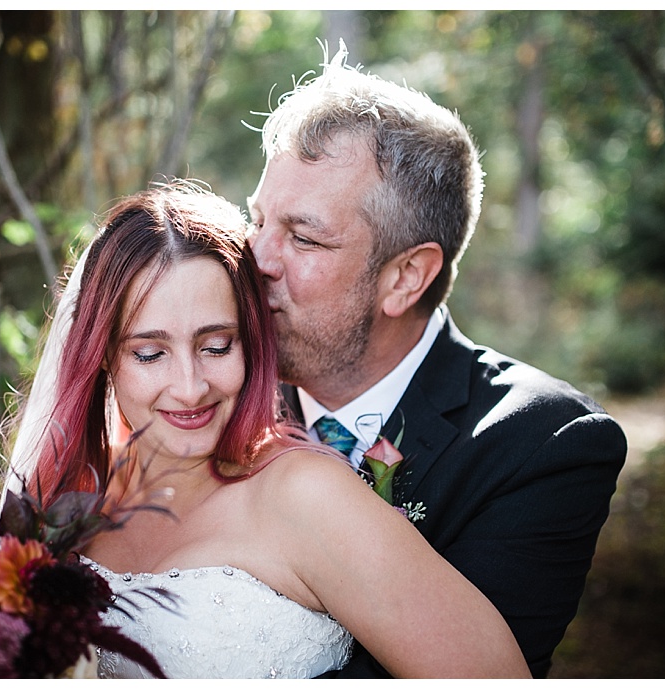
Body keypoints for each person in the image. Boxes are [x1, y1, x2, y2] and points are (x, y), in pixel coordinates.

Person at [0, 182, 531, 679]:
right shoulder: (67, 499)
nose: (189, 387)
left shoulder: (309, 497)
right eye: (149, 353)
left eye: (216, 346)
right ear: (103, 357)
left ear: (251, 343)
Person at [245, 43, 628, 679]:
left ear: (407, 277)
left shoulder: (543, 447)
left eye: (304, 237)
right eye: (256, 220)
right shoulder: (203, 398)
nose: (255, 257)